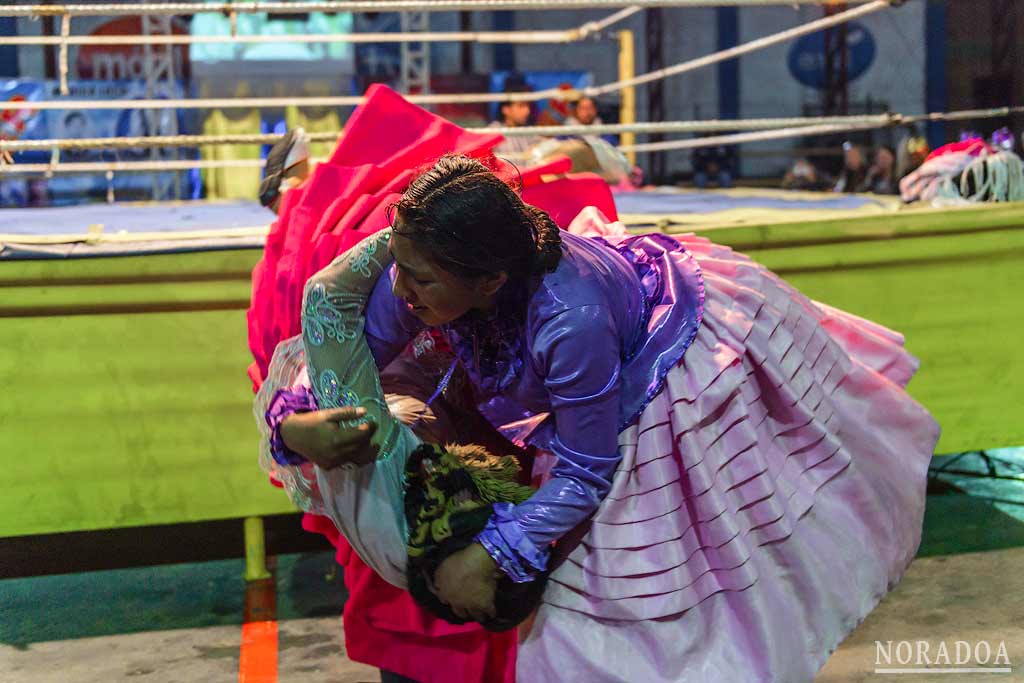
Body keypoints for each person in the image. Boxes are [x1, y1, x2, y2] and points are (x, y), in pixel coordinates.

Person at [254, 87, 939, 681]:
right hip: (526, 350)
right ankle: (298, 189)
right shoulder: (423, 277)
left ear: (487, 280)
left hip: (652, 369)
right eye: (397, 266)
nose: (401, 290)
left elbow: (587, 467)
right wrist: (297, 425)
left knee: (634, 619)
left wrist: (491, 552)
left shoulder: (569, 321)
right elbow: (341, 328)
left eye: (420, 276)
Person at [488, 85, 544, 160]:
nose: (527, 111)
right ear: (506, 109)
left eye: (528, 106)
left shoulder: (526, 131)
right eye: (521, 106)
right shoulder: (493, 131)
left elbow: (546, 144)